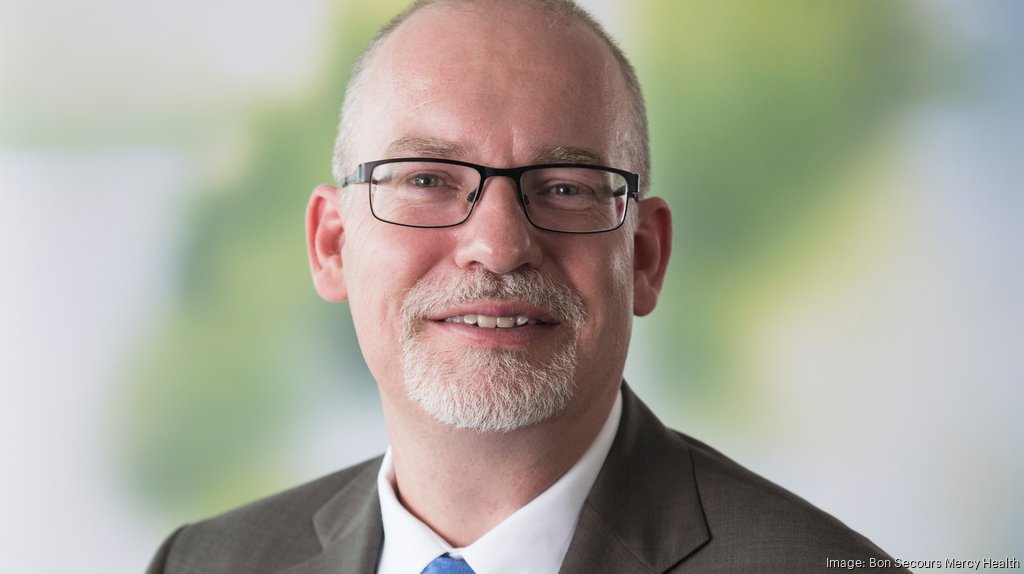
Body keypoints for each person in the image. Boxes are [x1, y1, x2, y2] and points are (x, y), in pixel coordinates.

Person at [147, 1, 907, 572]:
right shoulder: (203, 564)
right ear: (332, 244)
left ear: (645, 257)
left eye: (566, 187)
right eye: (427, 179)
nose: (499, 246)